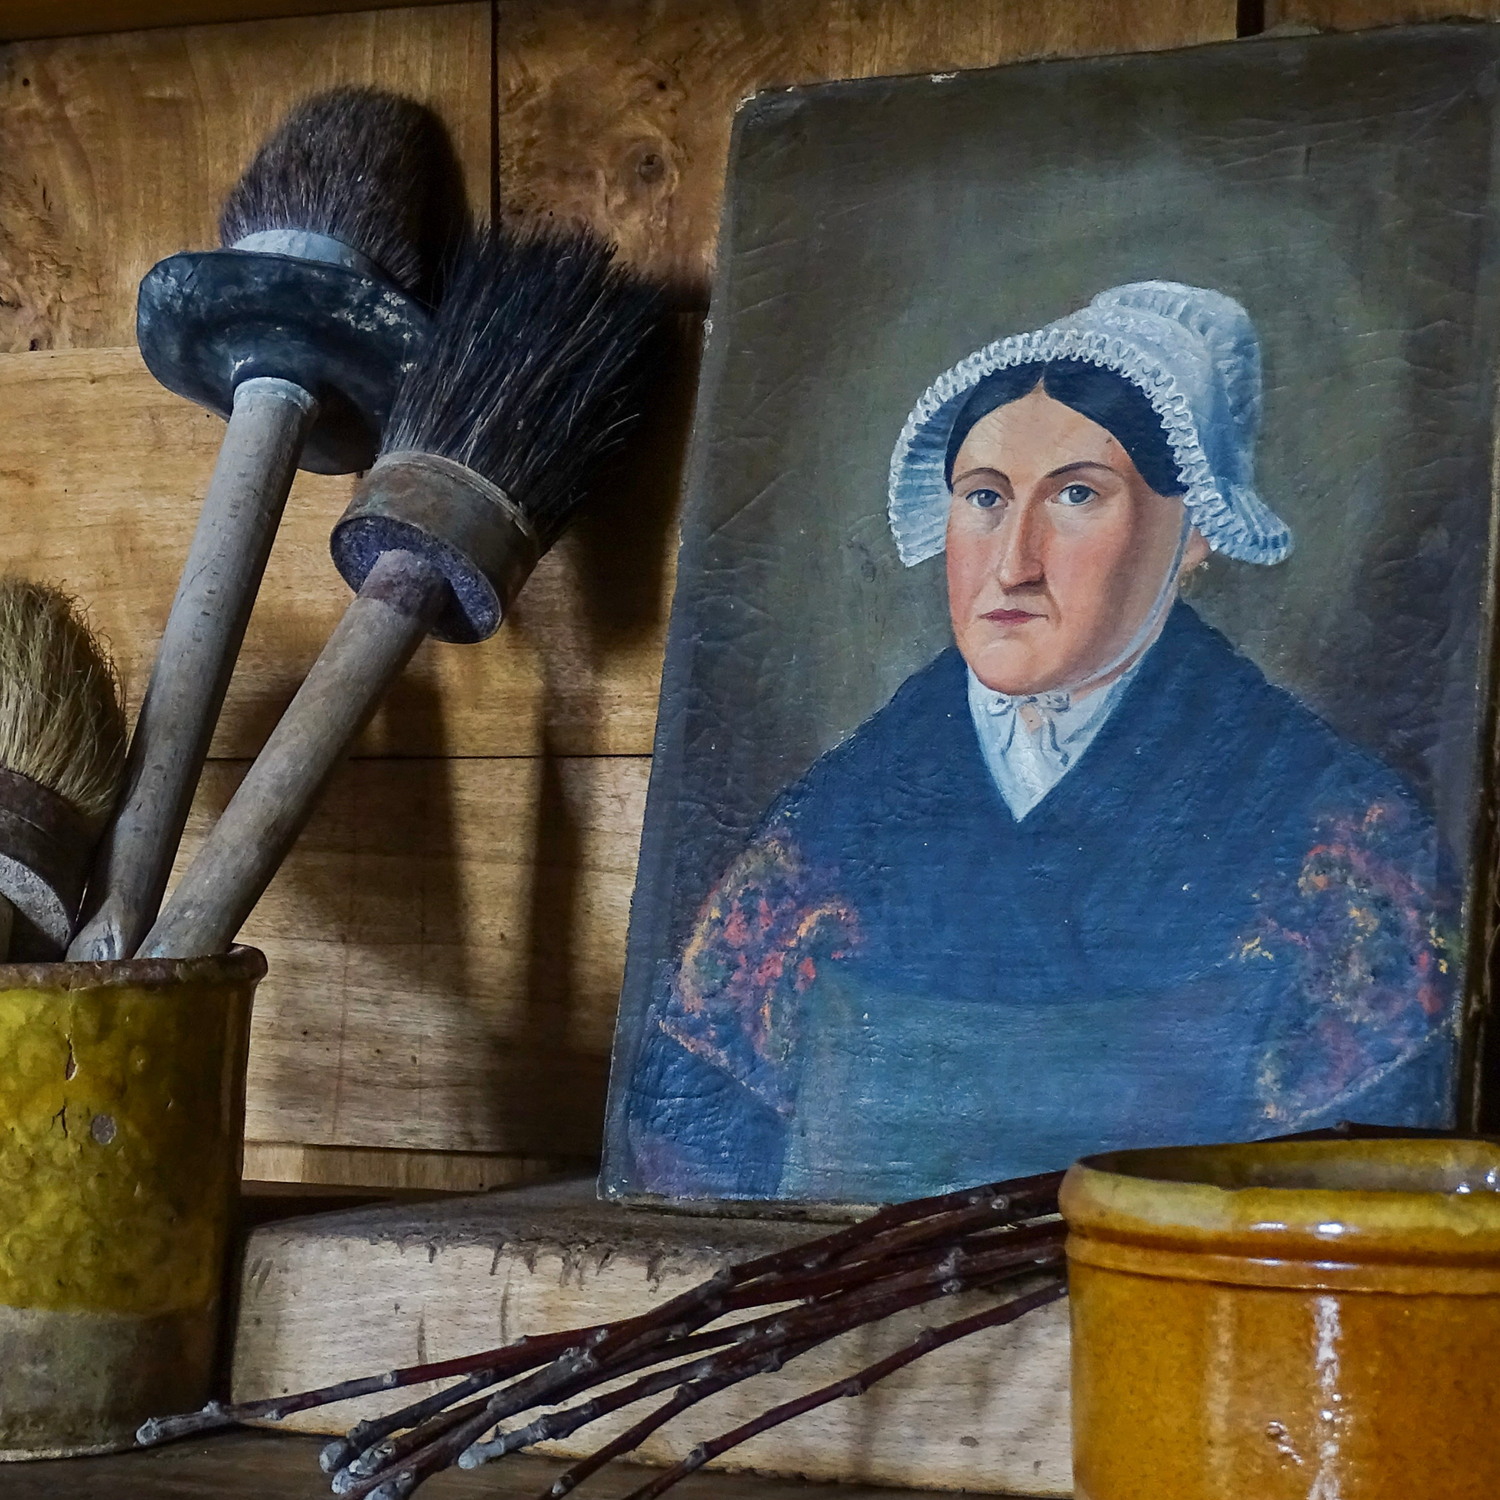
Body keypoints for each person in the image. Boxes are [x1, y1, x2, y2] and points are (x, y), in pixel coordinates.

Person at [623, 282, 1460, 1202]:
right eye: (984, 497)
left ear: (1193, 533)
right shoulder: (830, 821)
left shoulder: (1339, 836)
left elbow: (1366, 1187)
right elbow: (687, 1146)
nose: (1013, 560)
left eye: (1075, 495)